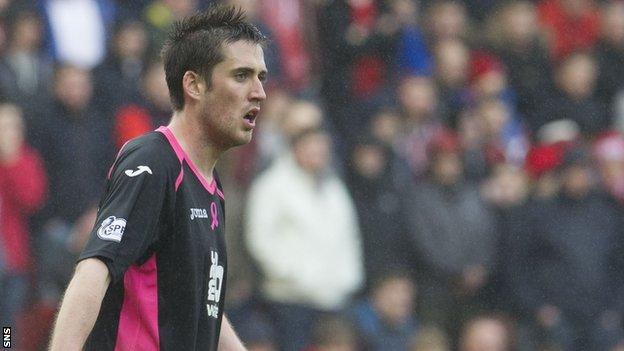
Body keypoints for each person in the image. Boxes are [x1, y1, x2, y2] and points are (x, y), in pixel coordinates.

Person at [49, 5, 268, 350]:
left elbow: (203, 306)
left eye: (261, 77)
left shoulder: (213, 189)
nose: (259, 92)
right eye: (241, 75)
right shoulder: (154, 161)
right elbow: (94, 270)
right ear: (194, 85)